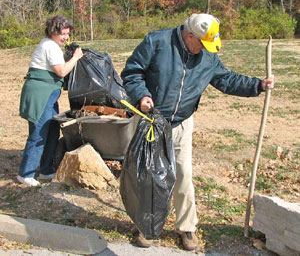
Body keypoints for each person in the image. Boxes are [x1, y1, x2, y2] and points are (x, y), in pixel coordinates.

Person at [121, 13, 275, 251]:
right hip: (150, 121)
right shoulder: (157, 42)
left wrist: (257, 85)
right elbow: (132, 72)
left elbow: (227, 80)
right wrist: (142, 95)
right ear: (190, 35)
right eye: (202, 43)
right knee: (148, 177)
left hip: (182, 123)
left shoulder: (208, 56)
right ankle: (147, 227)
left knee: (183, 175)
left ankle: (187, 227)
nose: (206, 49)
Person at [18, 15, 83, 187]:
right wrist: (76, 57)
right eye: (63, 33)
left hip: (49, 95)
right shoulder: (49, 46)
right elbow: (61, 71)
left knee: (53, 132)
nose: (65, 37)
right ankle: (25, 173)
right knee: (39, 134)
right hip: (41, 96)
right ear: (53, 31)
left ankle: (46, 170)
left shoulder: (51, 45)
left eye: (67, 34)